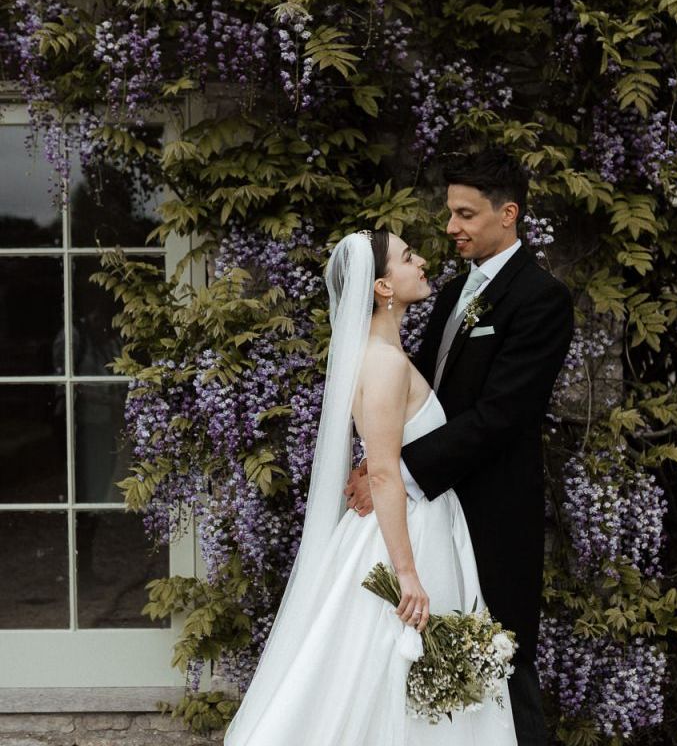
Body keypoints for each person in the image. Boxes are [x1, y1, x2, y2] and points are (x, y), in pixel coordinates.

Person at [224, 229, 517, 746]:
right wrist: (407, 574)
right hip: (405, 536)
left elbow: (385, 456)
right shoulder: (383, 363)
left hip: (416, 522)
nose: (421, 262)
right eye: (408, 257)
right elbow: (383, 473)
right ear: (383, 286)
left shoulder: (383, 354)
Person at [346, 148, 575, 745]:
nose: (451, 227)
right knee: (424, 678)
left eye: (465, 214)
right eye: (450, 212)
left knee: (504, 667)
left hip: (492, 512)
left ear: (508, 214)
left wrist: (398, 471)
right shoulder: (451, 294)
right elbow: (416, 395)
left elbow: (501, 416)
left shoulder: (542, 299)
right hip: (431, 517)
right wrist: (377, 462)